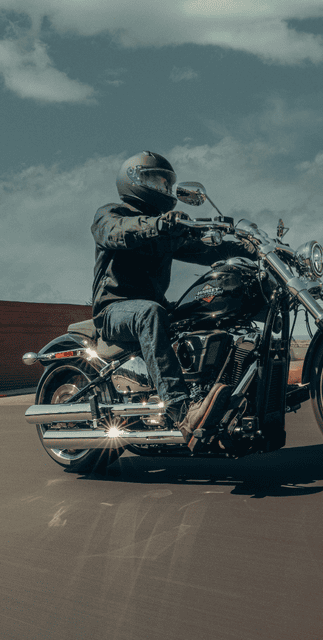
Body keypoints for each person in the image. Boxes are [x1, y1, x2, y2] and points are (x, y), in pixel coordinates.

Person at [91, 151, 252, 445]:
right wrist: (157, 225)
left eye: (167, 183)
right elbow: (116, 233)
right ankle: (183, 413)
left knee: (206, 308)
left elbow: (205, 251)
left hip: (153, 307)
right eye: (154, 180)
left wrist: (248, 248)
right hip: (114, 311)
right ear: (134, 180)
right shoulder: (111, 215)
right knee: (150, 313)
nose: (163, 188)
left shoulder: (165, 229)